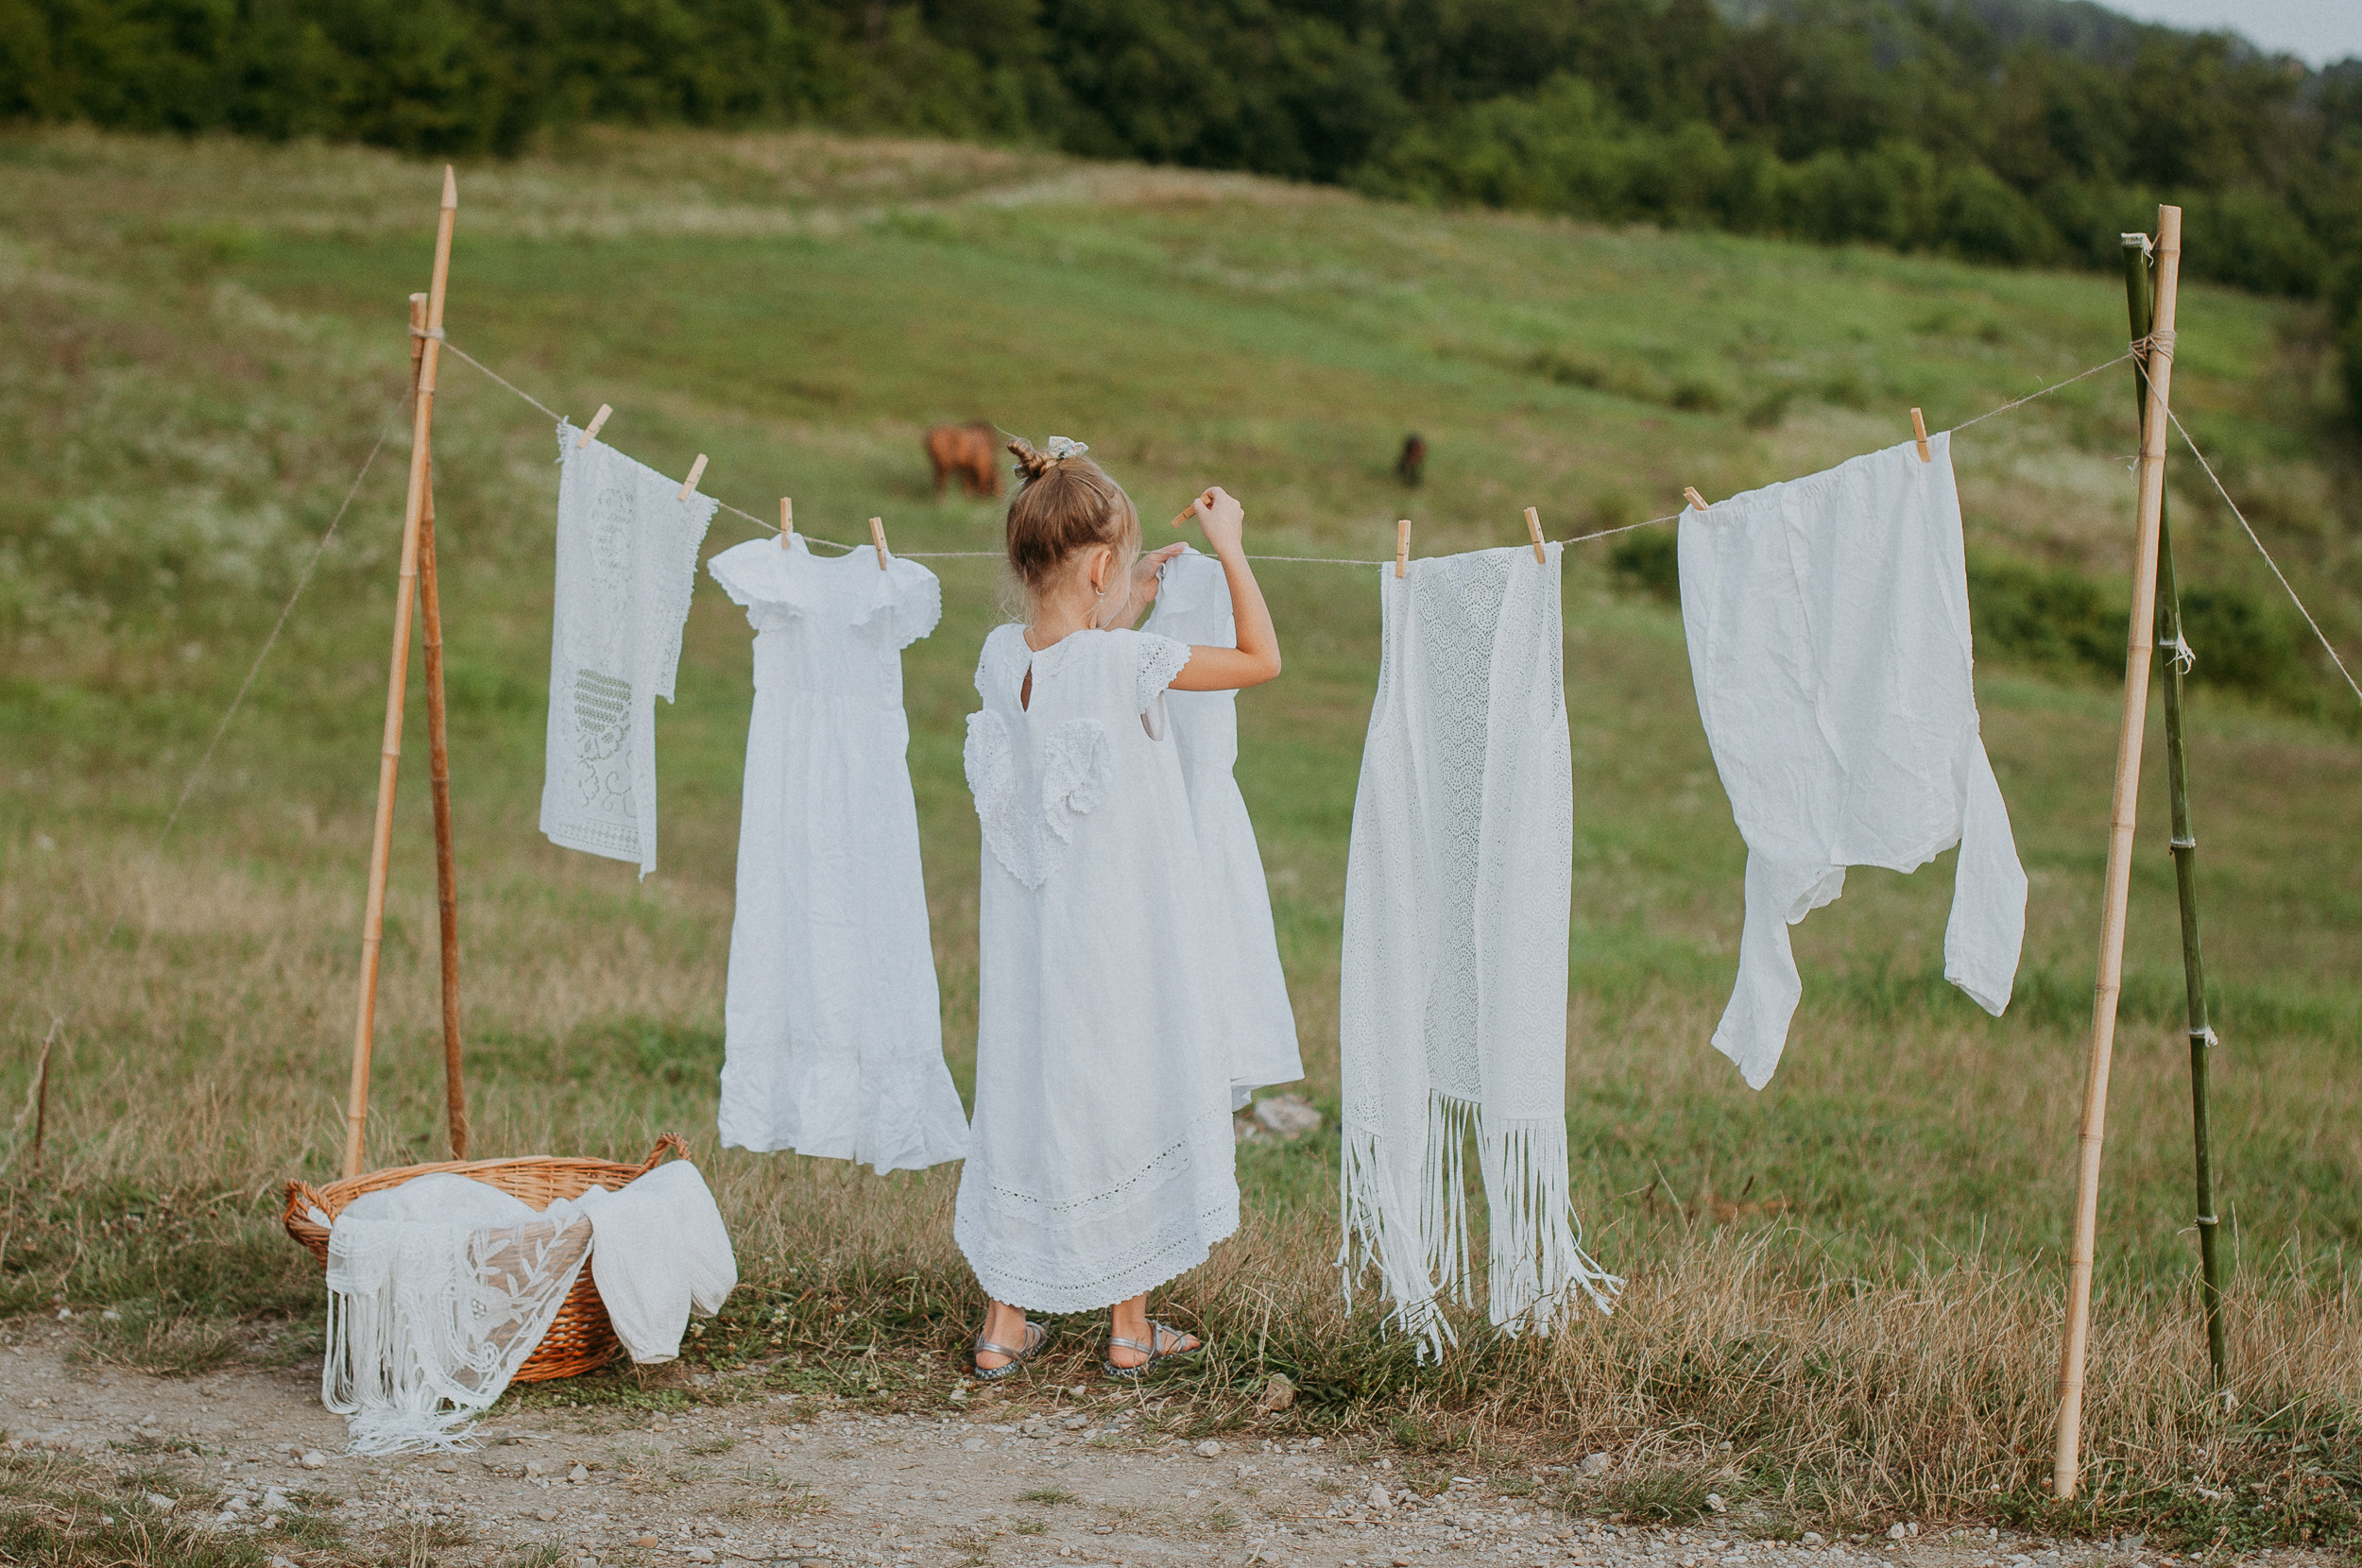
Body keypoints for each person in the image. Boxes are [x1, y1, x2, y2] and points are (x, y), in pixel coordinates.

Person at [954, 435, 1282, 1381]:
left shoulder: (997, 659)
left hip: (1031, 952)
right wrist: (1230, 545)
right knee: (1129, 1092)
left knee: (1027, 1094)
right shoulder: (1130, 660)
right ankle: (1130, 1329)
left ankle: (1004, 1324)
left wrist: (1122, 609)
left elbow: (1070, 665)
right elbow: (1261, 659)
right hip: (1121, 939)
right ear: (1100, 563)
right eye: (1126, 565)